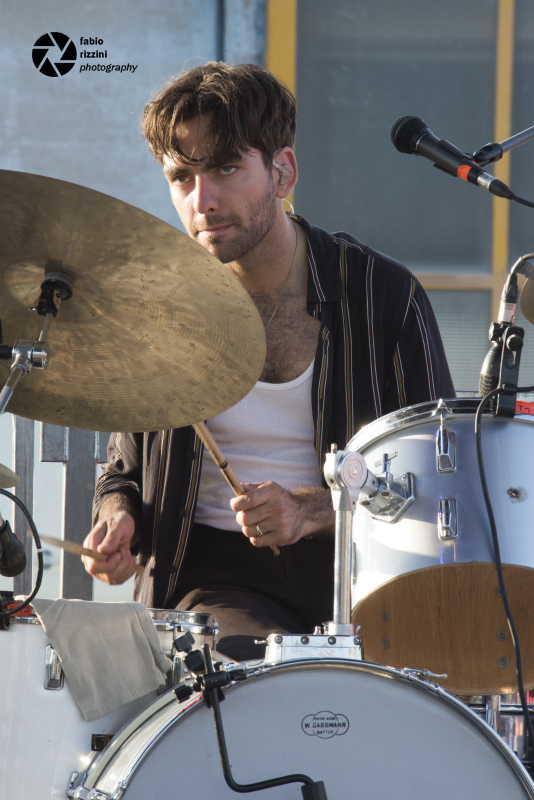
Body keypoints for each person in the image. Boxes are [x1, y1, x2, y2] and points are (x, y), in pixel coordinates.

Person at [84, 62, 454, 660]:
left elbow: (439, 477)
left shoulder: (382, 295)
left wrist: (310, 510)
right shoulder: (162, 306)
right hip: (216, 579)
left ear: (283, 172)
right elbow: (122, 471)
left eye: (226, 168)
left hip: (366, 568)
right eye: (182, 177)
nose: (203, 201)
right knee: (256, 679)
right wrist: (118, 516)